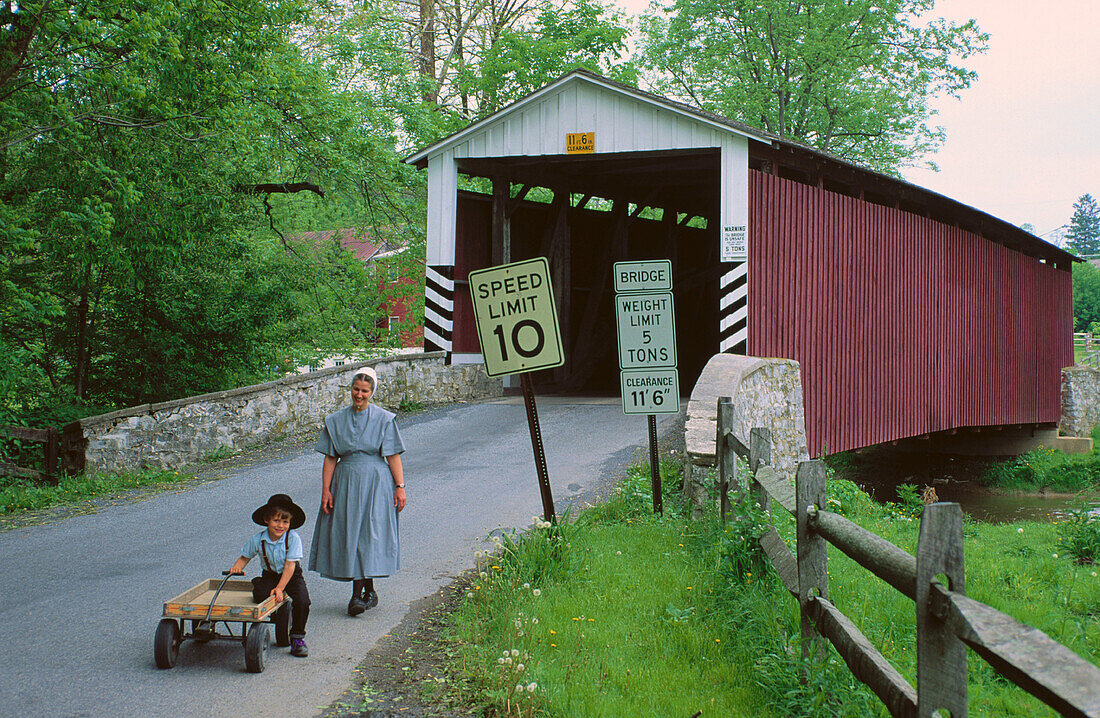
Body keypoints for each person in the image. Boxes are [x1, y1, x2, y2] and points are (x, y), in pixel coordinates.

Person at [309, 367, 407, 616]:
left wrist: (400, 487)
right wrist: (326, 490)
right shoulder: (336, 420)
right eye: (356, 389)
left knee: (368, 534)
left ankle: (358, 596)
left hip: (376, 482)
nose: (359, 395)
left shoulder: (384, 419)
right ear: (350, 389)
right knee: (351, 532)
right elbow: (330, 458)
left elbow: (393, 455)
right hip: (346, 481)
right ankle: (367, 593)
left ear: (372, 392)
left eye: (364, 391)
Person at [230, 493, 311, 657]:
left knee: (303, 602)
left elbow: (289, 566)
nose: (280, 525)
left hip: (291, 575)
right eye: (276, 520)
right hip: (270, 574)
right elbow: (245, 557)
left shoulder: (293, 538)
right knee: (260, 596)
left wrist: (280, 588)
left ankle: (297, 638)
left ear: (290, 523)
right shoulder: (258, 539)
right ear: (267, 520)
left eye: (285, 521)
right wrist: (236, 568)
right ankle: (276, 607)